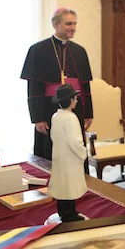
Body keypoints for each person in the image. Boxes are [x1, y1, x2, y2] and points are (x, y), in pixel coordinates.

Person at [20, 8, 93, 173]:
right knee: (51, 148)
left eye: (74, 23)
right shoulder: (38, 50)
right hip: (48, 108)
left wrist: (89, 113)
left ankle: (80, 182)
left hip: (77, 107)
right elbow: (34, 87)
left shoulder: (80, 51)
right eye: (68, 23)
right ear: (55, 24)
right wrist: (37, 118)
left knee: (75, 144)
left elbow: (85, 85)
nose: (72, 27)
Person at [48, 84, 88, 222]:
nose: (76, 101)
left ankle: (62, 211)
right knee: (70, 186)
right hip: (70, 157)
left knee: (62, 185)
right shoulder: (71, 118)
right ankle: (69, 215)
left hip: (59, 155)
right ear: (70, 100)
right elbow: (75, 141)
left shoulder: (55, 116)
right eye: (75, 98)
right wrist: (83, 152)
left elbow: (52, 135)